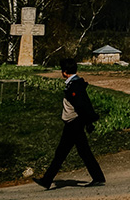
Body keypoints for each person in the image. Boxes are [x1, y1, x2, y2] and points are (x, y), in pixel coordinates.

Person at [35, 57, 105, 188]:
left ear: (65, 72)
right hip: (75, 123)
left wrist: (88, 121)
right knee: (82, 152)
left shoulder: (74, 86)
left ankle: (47, 180)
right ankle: (98, 177)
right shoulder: (76, 84)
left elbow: (81, 106)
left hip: (74, 123)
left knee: (62, 153)